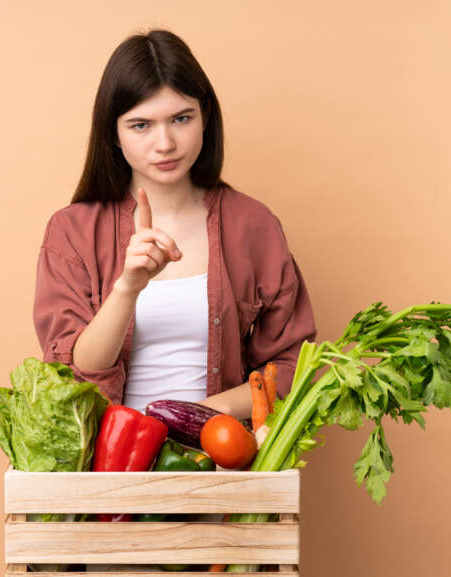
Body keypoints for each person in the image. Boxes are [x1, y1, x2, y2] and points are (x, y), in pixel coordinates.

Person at [33, 29, 316, 420]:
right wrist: (128, 287)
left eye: (181, 118)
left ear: (205, 119)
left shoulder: (254, 224)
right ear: (113, 134)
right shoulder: (72, 231)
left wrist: (192, 416)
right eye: (140, 125)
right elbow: (77, 373)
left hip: (219, 461)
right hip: (108, 464)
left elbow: (289, 366)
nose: (164, 143)